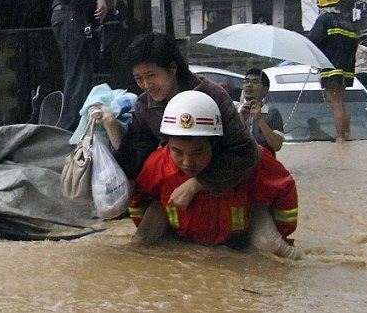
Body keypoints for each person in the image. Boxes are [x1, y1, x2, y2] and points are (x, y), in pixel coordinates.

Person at [89, 33, 259, 211]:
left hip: (228, 189)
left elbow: (246, 152)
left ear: (172, 68)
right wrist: (110, 126)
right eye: (139, 78)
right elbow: (134, 161)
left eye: (151, 75)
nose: (147, 85)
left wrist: (197, 184)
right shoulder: (145, 105)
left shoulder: (213, 96)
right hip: (176, 193)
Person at [129, 90, 301, 259]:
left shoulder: (250, 160)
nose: (187, 162)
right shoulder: (156, 166)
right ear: (167, 144)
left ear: (215, 143)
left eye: (197, 152)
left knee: (273, 248)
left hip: (241, 236)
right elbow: (138, 200)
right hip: (182, 236)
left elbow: (284, 189)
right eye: (177, 152)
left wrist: (283, 233)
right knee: (140, 245)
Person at [51, 0, 118, 131]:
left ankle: (72, 122)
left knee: (79, 71)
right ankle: (69, 125)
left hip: (68, 16)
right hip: (69, 15)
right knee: (78, 73)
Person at [308, 0, 358, 142]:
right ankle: (347, 135)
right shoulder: (347, 22)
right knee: (341, 102)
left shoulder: (324, 19)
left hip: (330, 67)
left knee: (334, 102)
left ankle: (340, 139)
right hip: (346, 68)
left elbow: (314, 40)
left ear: (321, 5)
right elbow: (354, 45)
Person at [237, 68, 284, 156]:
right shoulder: (234, 109)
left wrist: (259, 120)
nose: (249, 85)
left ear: (265, 89)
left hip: (263, 165)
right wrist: (240, 118)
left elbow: (277, 145)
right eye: (246, 81)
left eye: (255, 82)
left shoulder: (272, 113)